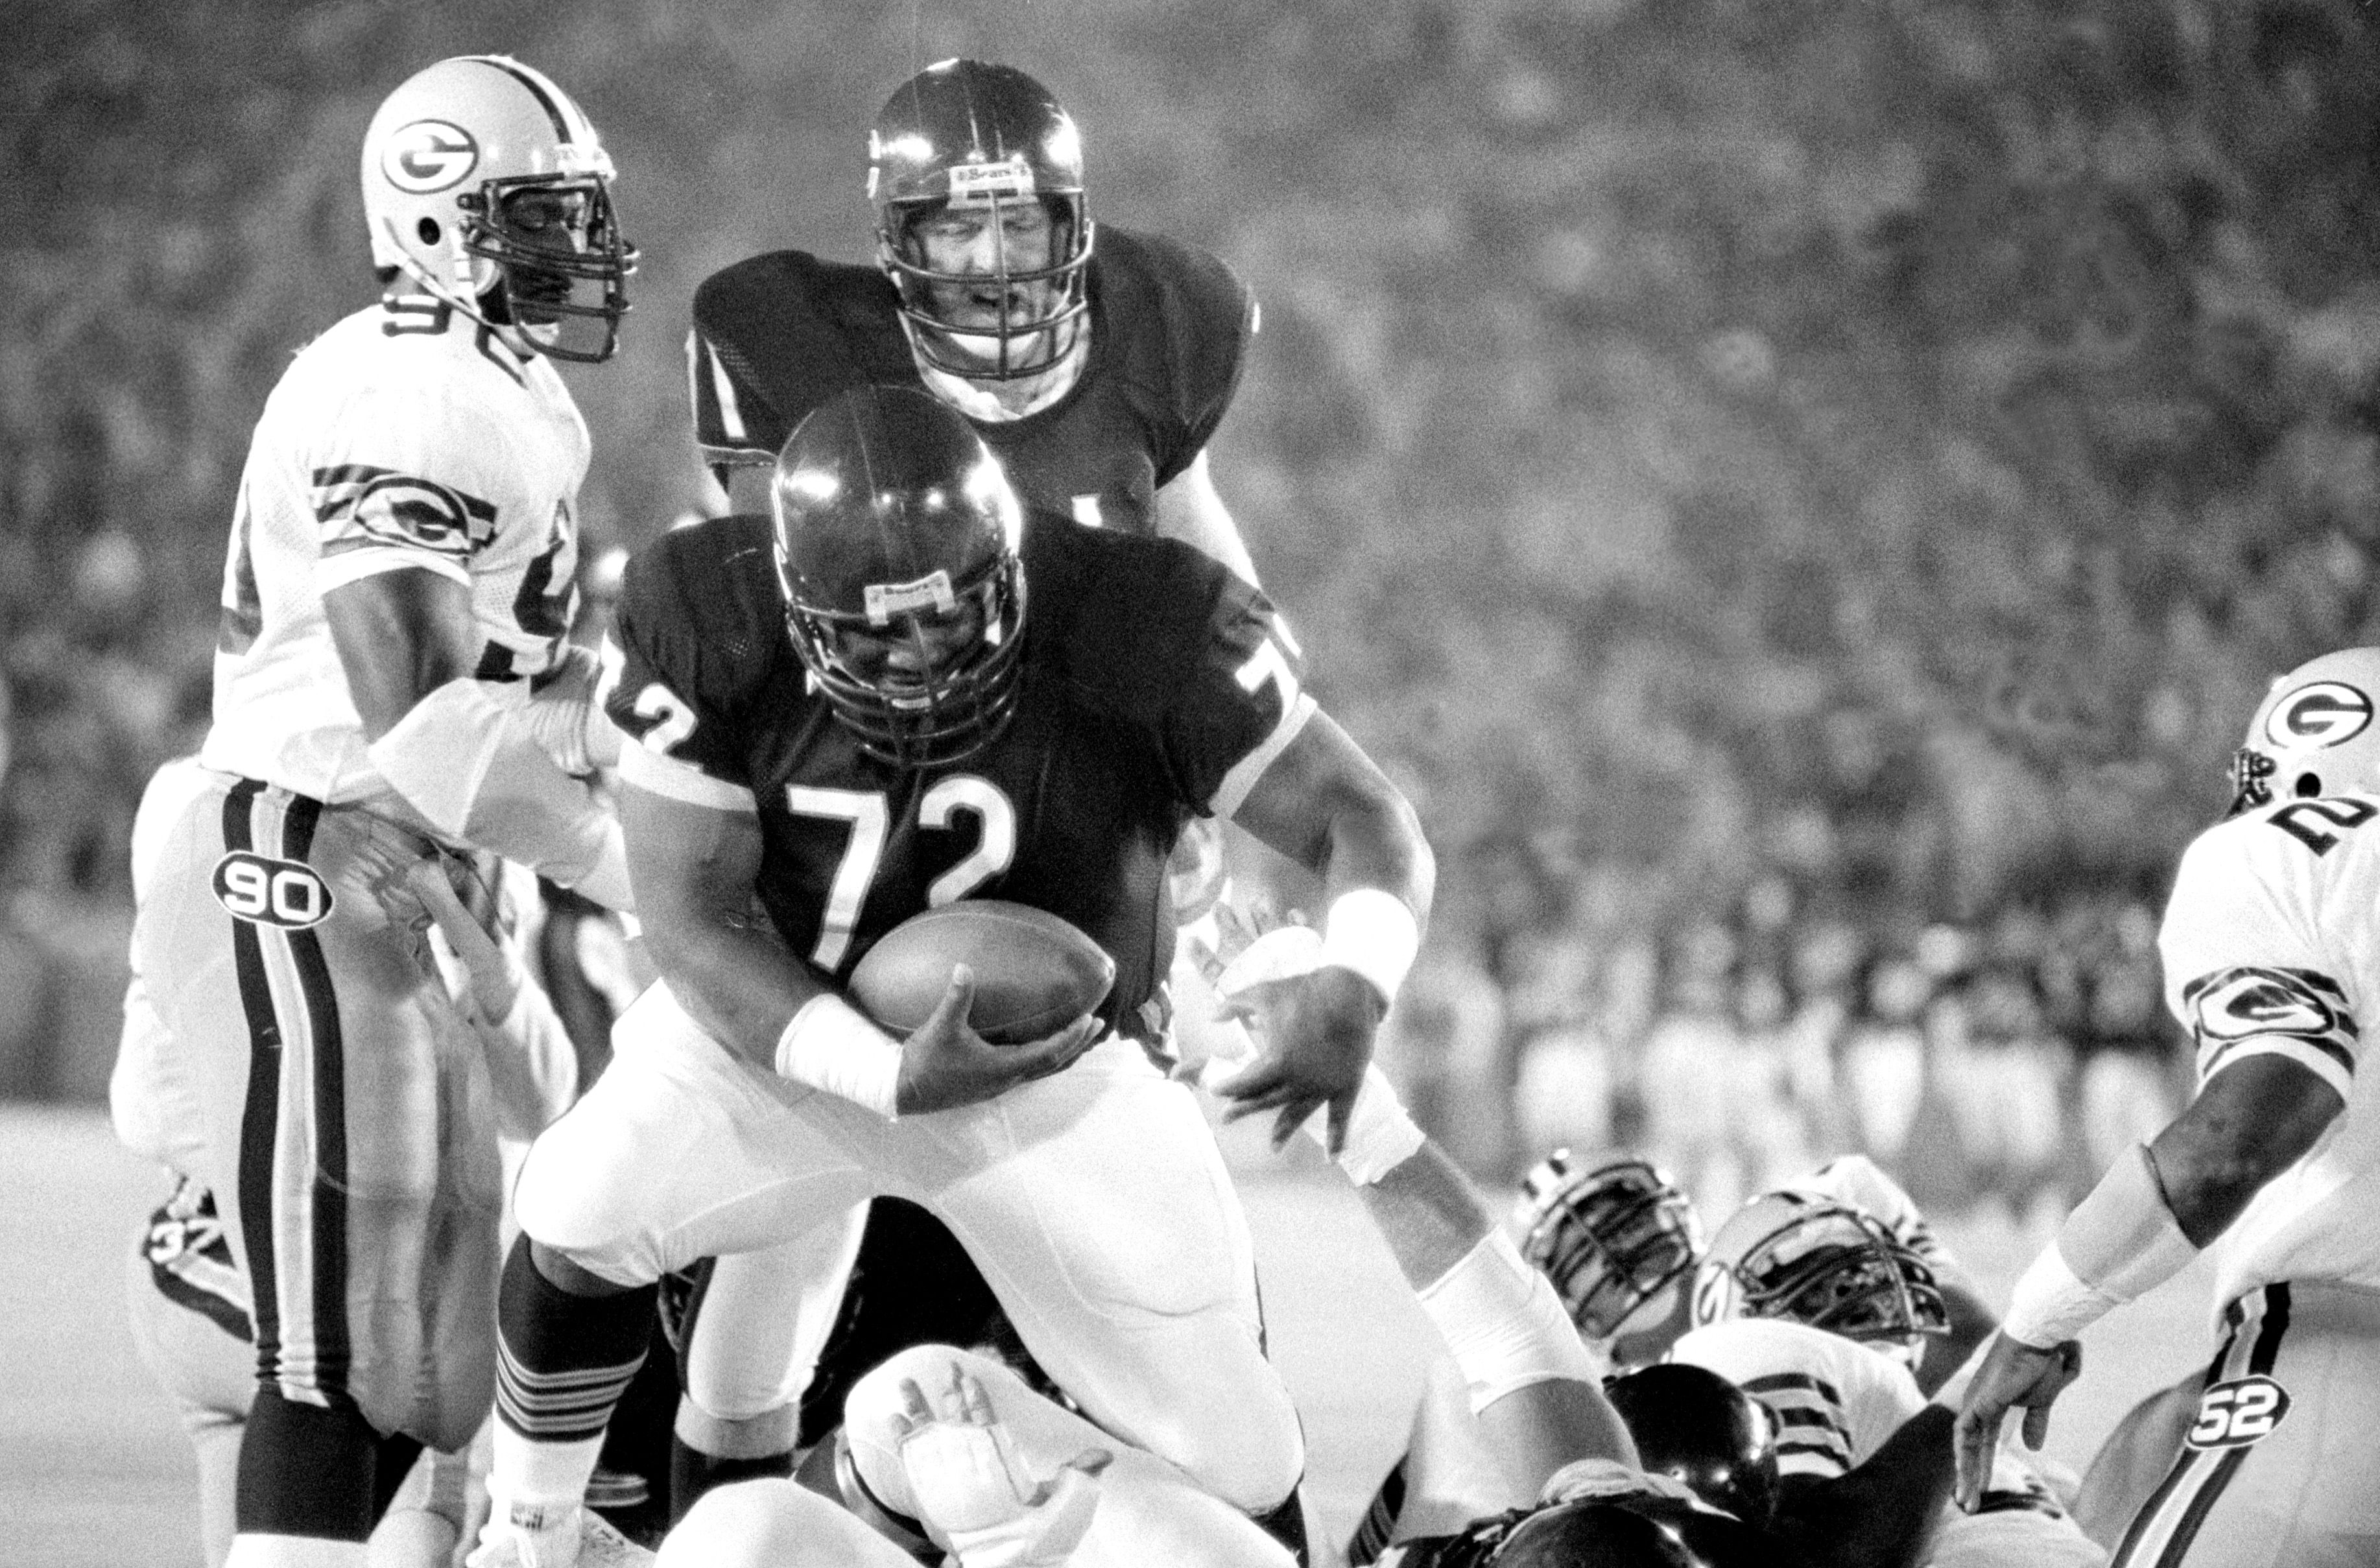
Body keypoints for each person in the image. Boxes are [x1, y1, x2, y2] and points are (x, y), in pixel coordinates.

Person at [468, 384, 1433, 1568]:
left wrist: (1357, 980)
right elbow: (695, 916)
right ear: (795, 599)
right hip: (787, 1025)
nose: (917, 656)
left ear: (1010, 558)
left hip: (1051, 1077)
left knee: (1241, 1459)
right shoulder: (703, 614)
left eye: (949, 614)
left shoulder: (1149, 621)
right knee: (577, 1203)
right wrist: (875, 1068)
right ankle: (528, 1536)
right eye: (871, 632)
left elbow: (1363, 814)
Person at [670, 53, 1273, 1513]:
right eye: (955, 230)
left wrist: (1216, 788)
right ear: (894, 242)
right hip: (858, 881)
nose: (998, 265)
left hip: (1074, 879)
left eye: (1023, 226)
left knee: (1140, 1322)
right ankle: (632, 1517)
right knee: (782, 1287)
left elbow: (1202, 570)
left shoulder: (1158, 332)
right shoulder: (792, 351)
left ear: (1076, 223)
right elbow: (757, 631)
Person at [125, 54, 637, 1567]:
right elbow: (416, 723)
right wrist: (632, 835)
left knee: (421, 1364)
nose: (580, 249)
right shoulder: (411, 388)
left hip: (398, 866)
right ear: (436, 217)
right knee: (349, 1341)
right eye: (540, 217)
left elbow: (482, 696)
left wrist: (620, 715)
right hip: (317, 847)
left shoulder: (491, 384)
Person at [1956, 646, 2380, 1565]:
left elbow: (2245, 1127)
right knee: (2147, 1449)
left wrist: (2037, 1316)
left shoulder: (2289, 848)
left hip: (2344, 1363)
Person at [117, 759, 582, 1567]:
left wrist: (476, 952)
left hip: (398, 1271)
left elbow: (542, 1097)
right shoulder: (219, 802)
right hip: (221, 1249)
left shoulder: (487, 817)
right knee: (412, 1378)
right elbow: (147, 1104)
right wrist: (359, 1158)